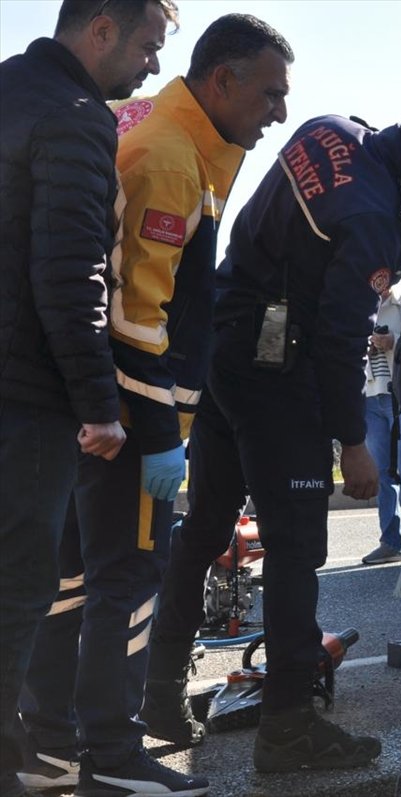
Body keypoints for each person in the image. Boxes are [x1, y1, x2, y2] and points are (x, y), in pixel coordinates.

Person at [15, 13, 292, 796]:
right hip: (133, 412)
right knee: (130, 579)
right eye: (270, 94)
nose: (279, 112)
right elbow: (138, 313)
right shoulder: (172, 157)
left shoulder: (157, 127)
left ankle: (50, 748)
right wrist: (162, 430)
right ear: (223, 81)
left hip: (86, 402)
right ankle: (112, 753)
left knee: (72, 578)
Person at [203, 100, 401, 772]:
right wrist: (353, 442)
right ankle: (288, 727)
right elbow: (339, 335)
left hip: (225, 340)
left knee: (206, 529)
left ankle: (156, 699)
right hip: (275, 367)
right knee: (296, 547)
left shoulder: (334, 130)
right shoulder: (374, 216)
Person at [0, 1, 178, 794]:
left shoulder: (10, 89)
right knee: (16, 593)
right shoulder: (75, 116)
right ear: (101, 28)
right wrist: (100, 405)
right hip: (25, 397)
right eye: (147, 45)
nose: (152, 65)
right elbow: (73, 275)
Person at [360, 287, 401, 565]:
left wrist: (393, 342)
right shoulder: (356, 307)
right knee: (380, 475)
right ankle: (390, 543)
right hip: (368, 397)